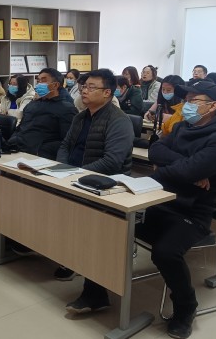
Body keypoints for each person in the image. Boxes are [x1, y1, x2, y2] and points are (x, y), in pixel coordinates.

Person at [76, 80, 216, 339]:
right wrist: (186, 168)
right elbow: (155, 150)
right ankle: (95, 294)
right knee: (109, 225)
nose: (186, 105)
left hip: (192, 214)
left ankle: (186, 308)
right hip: (158, 201)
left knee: (165, 252)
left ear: (213, 106)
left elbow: (186, 170)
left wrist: (175, 170)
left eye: (193, 101)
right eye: (186, 100)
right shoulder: (182, 127)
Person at [55, 69, 134, 282]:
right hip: (73, 176)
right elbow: (65, 146)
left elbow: (112, 162)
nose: (84, 91)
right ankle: (62, 252)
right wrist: (61, 169)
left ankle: (78, 260)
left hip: (104, 184)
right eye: (84, 86)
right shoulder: (81, 117)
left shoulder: (119, 120)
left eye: (91, 87)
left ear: (107, 92)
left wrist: (77, 175)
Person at [7, 68, 77, 159]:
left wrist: (41, 150)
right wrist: (13, 140)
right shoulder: (32, 104)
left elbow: (67, 141)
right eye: (38, 81)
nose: (39, 84)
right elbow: (20, 128)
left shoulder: (66, 108)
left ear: (55, 85)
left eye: (43, 81)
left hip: (40, 155)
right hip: (17, 149)